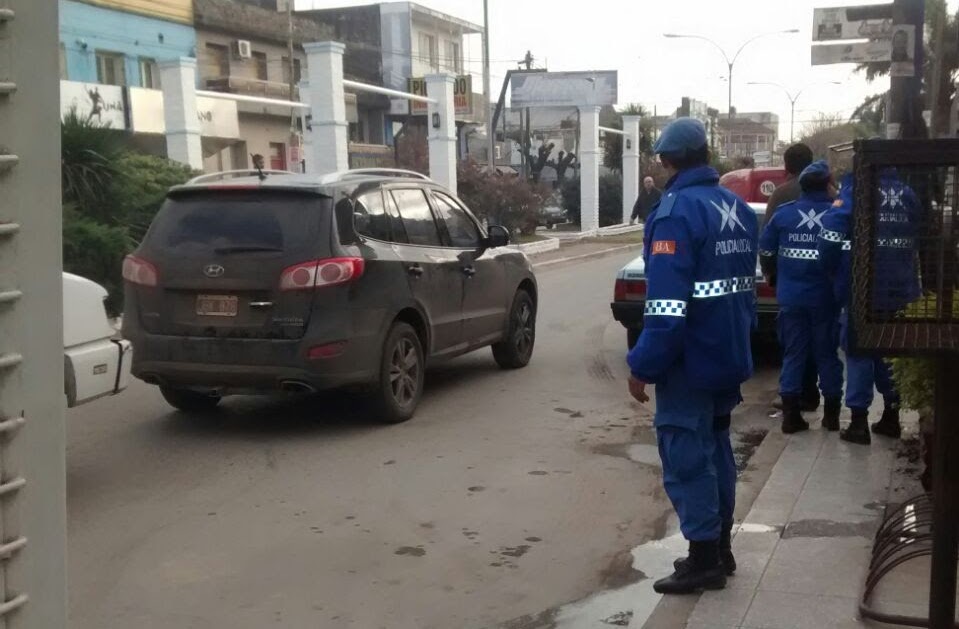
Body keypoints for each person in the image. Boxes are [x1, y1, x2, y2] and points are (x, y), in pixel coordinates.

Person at [627, 117, 758, 594]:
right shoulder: (737, 209)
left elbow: (665, 309)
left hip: (690, 360)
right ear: (706, 155)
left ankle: (704, 558)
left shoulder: (675, 213)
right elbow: (742, 290)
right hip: (729, 352)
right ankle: (720, 548)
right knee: (718, 446)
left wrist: (641, 365)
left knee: (686, 451)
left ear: (664, 161)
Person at [818, 170, 920, 444]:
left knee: (859, 349)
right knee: (890, 350)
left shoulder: (856, 190)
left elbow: (830, 235)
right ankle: (891, 416)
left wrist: (831, 270)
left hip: (862, 286)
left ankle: (859, 422)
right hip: (901, 286)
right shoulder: (908, 193)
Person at [759, 161, 843, 434]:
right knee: (827, 354)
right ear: (828, 184)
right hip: (826, 300)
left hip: (792, 299)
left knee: (794, 354)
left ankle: (791, 416)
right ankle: (831, 416)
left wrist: (773, 276)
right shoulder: (837, 215)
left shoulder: (785, 215)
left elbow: (766, 251)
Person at [765, 144, 821, 412]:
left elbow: (768, 242)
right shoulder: (830, 196)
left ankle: (796, 397)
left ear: (786, 168)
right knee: (822, 345)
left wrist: (771, 274)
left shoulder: (781, 195)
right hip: (824, 288)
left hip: (790, 286)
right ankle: (818, 396)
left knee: (794, 344)